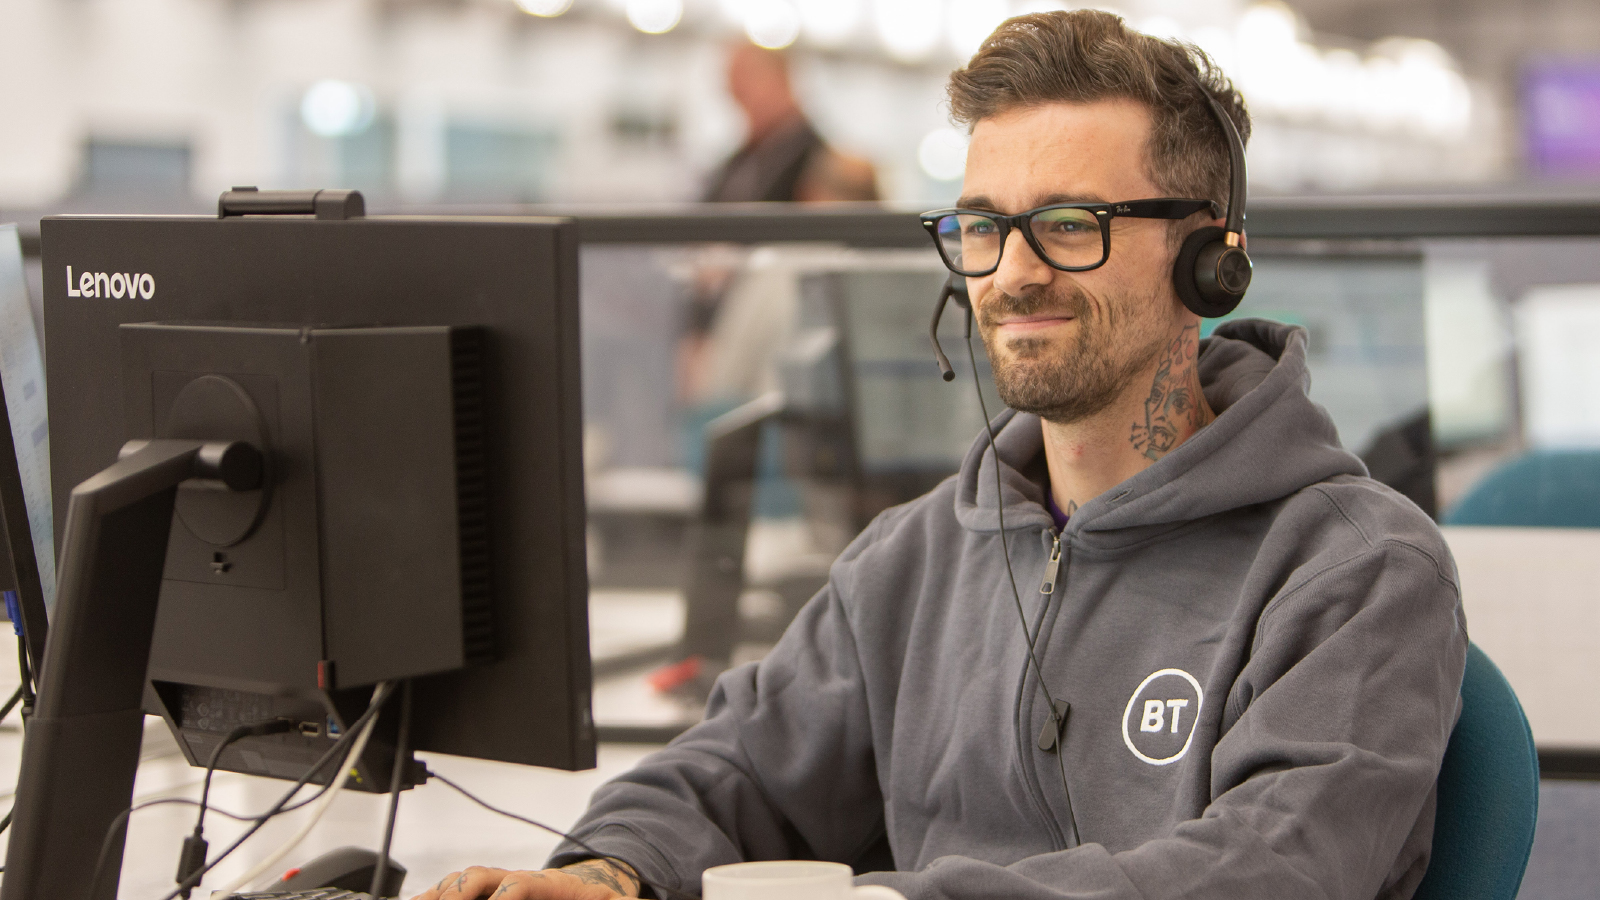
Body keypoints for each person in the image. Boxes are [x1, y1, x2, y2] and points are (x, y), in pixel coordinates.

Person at [413, 11, 1466, 900]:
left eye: (1069, 224)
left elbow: (1269, 872)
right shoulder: (909, 562)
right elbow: (733, 769)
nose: (1010, 274)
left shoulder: (1354, 571)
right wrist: (610, 875)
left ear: (1208, 257)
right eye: (981, 226)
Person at [701, 41, 878, 203]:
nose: (733, 91)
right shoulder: (742, 159)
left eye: (745, 80)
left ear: (780, 77)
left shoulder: (826, 164)